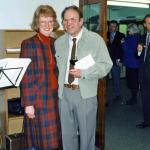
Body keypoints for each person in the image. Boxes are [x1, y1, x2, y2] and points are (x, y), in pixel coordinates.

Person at [55, 5, 113, 150]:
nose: (69, 23)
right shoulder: (58, 42)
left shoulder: (95, 40)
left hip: (85, 94)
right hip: (64, 94)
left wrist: (84, 73)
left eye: (73, 19)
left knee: (87, 135)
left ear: (81, 21)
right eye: (66, 20)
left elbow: (106, 65)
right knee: (67, 135)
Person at [20, 5, 60, 150]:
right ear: (37, 23)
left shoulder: (54, 43)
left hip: (54, 97)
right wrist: (28, 104)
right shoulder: (29, 44)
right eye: (43, 22)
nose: (47, 25)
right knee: (38, 141)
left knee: (51, 140)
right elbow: (26, 76)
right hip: (38, 100)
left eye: (50, 21)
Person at [136, 14, 150, 128]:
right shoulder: (141, 37)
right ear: (145, 25)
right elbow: (137, 56)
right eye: (149, 23)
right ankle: (147, 121)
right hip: (144, 75)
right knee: (145, 100)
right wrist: (139, 51)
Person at [122, 23, 141, 105]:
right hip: (131, 64)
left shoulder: (135, 38)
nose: (127, 31)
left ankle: (134, 99)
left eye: (129, 30)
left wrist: (123, 43)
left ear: (133, 30)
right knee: (132, 82)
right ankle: (134, 97)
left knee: (133, 83)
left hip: (133, 64)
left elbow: (130, 51)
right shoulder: (132, 37)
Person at [107, 20, 125, 101]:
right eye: (110, 26)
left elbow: (122, 49)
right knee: (104, 80)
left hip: (116, 61)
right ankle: (104, 96)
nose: (111, 28)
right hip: (105, 61)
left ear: (116, 27)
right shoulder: (105, 34)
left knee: (116, 79)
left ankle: (118, 95)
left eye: (113, 26)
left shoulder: (121, 35)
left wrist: (120, 60)